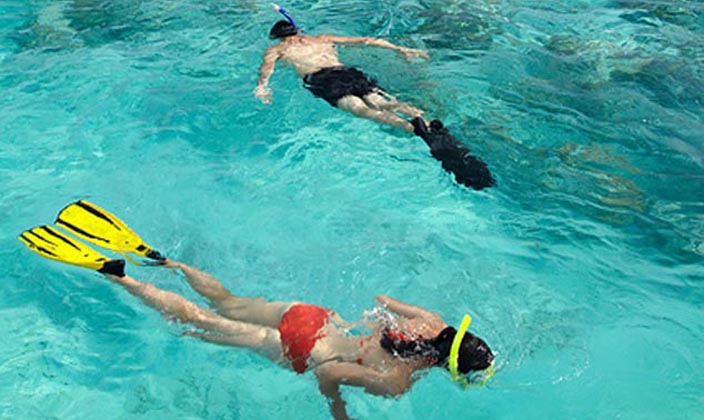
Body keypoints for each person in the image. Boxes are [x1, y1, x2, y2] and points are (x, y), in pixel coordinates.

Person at [19, 200, 495, 420]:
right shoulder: (397, 381)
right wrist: (338, 411)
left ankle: (165, 262)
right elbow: (329, 374)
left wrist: (362, 329)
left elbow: (382, 302)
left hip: (315, 316)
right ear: (447, 369)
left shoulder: (431, 322)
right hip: (301, 347)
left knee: (225, 301)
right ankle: (118, 275)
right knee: (197, 321)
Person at [255, 19, 497, 190]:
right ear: (297, 31)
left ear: (277, 37)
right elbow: (366, 40)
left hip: (323, 80)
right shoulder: (322, 39)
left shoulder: (275, 50)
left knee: (363, 110)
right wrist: (401, 49)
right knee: (382, 101)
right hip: (347, 72)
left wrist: (262, 87)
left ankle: (412, 128)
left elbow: (267, 70)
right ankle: (419, 116)